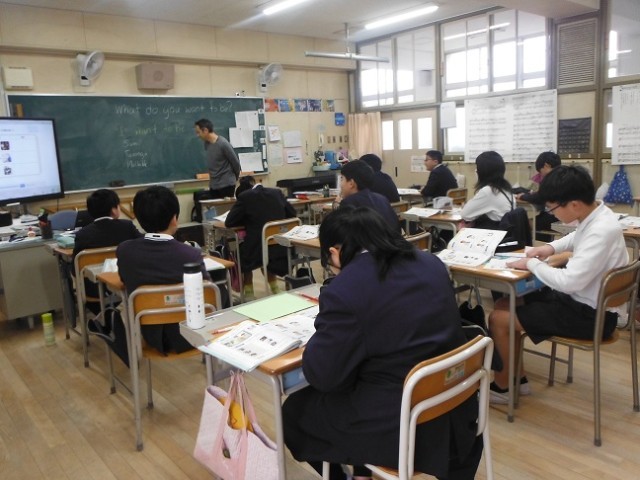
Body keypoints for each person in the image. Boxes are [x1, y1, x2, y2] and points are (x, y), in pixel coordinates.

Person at [282, 206, 483, 480]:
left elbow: (322, 376)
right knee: (363, 371)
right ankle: (362, 471)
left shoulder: (346, 288)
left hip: (404, 423)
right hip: (456, 402)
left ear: (334, 252)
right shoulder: (431, 263)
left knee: (295, 413)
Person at [488, 165, 628, 404]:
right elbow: (576, 237)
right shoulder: (598, 215)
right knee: (506, 302)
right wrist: (549, 248)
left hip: (590, 317)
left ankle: (503, 388)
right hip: (587, 305)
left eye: (552, 208)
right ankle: (517, 379)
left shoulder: (600, 231)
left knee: (498, 318)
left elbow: (568, 282)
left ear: (574, 204)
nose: (551, 213)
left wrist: (531, 264)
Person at [117, 185, 211, 355]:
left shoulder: (125, 251)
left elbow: (124, 281)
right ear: (174, 219)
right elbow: (206, 292)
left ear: (139, 218)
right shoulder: (190, 253)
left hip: (149, 335)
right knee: (220, 290)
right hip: (192, 332)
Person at [225, 176, 297, 299]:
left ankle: (249, 292)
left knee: (240, 249)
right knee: (265, 247)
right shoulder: (277, 193)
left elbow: (229, 222)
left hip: (256, 251)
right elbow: (292, 214)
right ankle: (274, 287)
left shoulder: (245, 197)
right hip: (280, 246)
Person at [72, 188, 141, 314]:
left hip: (94, 291)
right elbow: (142, 247)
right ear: (114, 210)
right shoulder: (127, 226)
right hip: (124, 284)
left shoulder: (83, 234)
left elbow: (75, 270)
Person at [337, 160, 399, 231]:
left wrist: (337, 204)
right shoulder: (382, 198)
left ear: (351, 183)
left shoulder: (348, 202)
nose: (340, 184)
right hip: (391, 238)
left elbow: (343, 232)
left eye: (342, 179)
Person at [461, 150, 514, 229]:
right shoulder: (506, 188)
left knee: (461, 227)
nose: (476, 170)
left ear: (483, 171)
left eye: (477, 168)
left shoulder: (488, 191)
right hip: (506, 232)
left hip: (493, 234)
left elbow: (465, 215)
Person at [516, 151, 562, 239]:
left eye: (540, 172)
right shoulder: (562, 175)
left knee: (524, 223)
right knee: (538, 218)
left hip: (555, 217)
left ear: (546, 166)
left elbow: (540, 197)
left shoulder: (553, 178)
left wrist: (522, 196)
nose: (541, 175)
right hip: (557, 215)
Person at [194, 118, 241, 198]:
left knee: (224, 206)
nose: (198, 135)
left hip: (227, 185)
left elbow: (236, 163)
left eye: (198, 132)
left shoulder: (223, 143)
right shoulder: (207, 144)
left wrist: (232, 179)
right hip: (214, 185)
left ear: (205, 130)